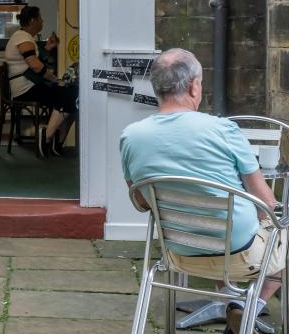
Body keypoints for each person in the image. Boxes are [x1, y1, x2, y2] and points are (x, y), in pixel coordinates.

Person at [120, 49, 284, 334]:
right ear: (194, 85)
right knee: (277, 230)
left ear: (157, 87)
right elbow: (266, 202)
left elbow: (141, 202)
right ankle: (248, 307)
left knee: (228, 226)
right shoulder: (224, 130)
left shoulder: (131, 136)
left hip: (178, 253)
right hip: (241, 256)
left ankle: (233, 302)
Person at [4, 5, 77, 157]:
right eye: (40, 18)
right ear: (32, 20)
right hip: (26, 90)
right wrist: (56, 80)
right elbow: (36, 66)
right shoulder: (22, 38)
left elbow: (33, 59)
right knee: (70, 96)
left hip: (29, 87)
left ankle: (56, 143)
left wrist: (48, 47)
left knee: (72, 97)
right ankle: (47, 137)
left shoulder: (25, 37)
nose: (42, 21)